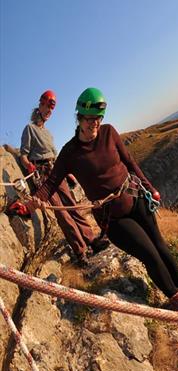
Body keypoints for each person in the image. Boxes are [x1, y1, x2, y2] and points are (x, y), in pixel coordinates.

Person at [22, 87, 178, 313]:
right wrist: (35, 201)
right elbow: (51, 183)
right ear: (79, 118)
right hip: (113, 218)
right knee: (148, 253)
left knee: (160, 245)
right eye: (90, 120)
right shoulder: (70, 152)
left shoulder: (109, 132)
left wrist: (150, 187)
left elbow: (129, 162)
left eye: (98, 119)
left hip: (136, 198)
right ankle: (177, 300)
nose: (95, 125)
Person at [11, 90, 107, 266]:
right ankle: (80, 252)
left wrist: (68, 173)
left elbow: (57, 158)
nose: (49, 110)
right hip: (42, 174)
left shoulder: (48, 133)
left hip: (56, 171)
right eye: (47, 106)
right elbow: (24, 154)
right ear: (40, 105)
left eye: (51, 108)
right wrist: (28, 165)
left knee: (72, 206)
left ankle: (92, 240)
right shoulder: (29, 129)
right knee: (62, 213)